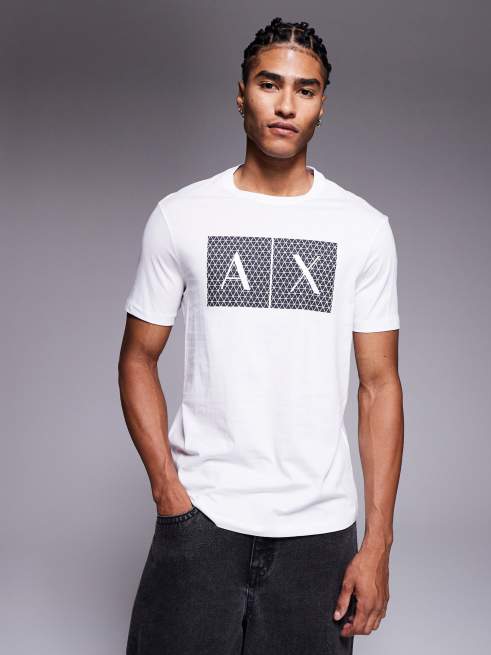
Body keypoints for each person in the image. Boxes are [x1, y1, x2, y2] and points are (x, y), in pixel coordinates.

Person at [118, 16, 404, 655]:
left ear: (322, 106)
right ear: (241, 94)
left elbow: (380, 384)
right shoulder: (182, 216)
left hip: (319, 534)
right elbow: (137, 356)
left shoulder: (362, 229)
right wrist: (168, 490)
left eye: (305, 89)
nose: (286, 104)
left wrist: (378, 543)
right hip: (201, 522)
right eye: (270, 84)